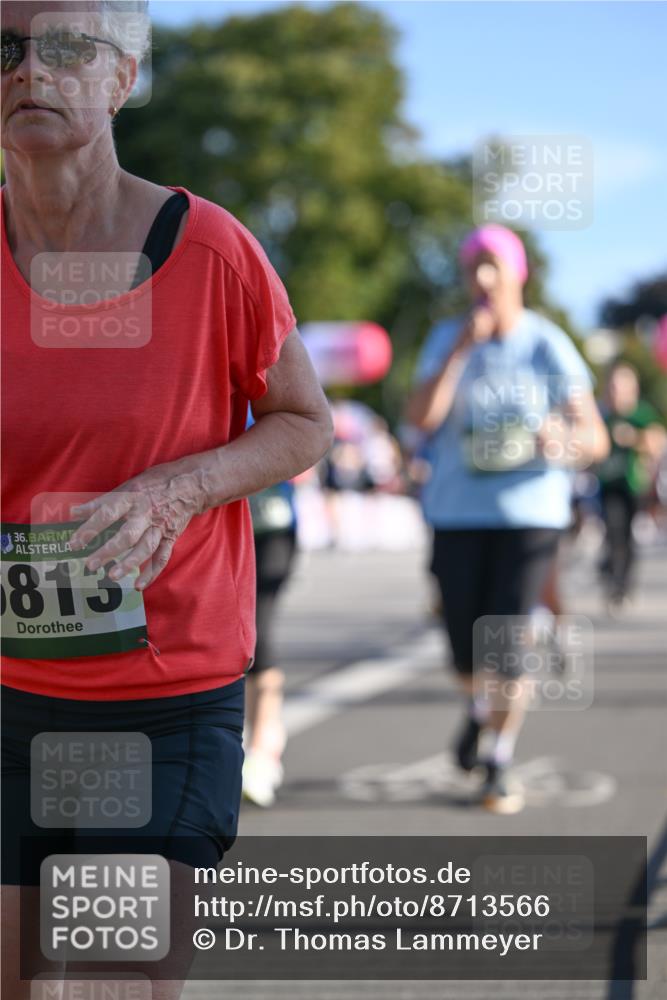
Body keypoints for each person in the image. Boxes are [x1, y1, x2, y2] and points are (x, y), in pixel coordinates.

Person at [0, 3, 333, 997]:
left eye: (67, 48)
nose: (30, 71)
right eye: (5, 49)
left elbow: (303, 421)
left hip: (162, 704)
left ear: (123, 78)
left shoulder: (211, 251)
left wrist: (181, 487)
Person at [406, 224, 609, 814]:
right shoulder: (446, 337)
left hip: (529, 515)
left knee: (508, 641)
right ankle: (477, 710)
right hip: (457, 513)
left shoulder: (546, 343)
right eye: (474, 268)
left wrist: (564, 440)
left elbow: (594, 438)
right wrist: (457, 353)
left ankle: (498, 757)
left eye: (494, 265)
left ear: (517, 274)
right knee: (464, 650)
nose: (484, 279)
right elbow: (420, 419)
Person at [243, 416, 298, 807]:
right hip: (206, 525)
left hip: (269, 525)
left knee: (257, 634)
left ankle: (263, 748)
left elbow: (307, 432)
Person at [596, 361, 666, 611]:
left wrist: (633, 438)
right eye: (613, 387)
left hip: (633, 485)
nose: (616, 393)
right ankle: (612, 574)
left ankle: (621, 584)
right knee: (613, 530)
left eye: (621, 387)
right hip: (607, 485)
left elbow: (657, 442)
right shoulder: (603, 415)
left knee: (626, 536)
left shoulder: (641, 414)